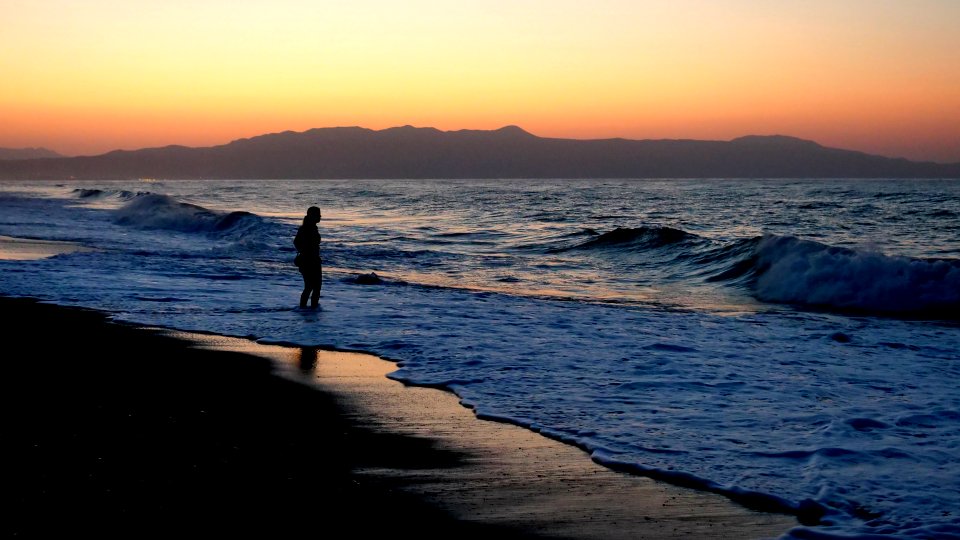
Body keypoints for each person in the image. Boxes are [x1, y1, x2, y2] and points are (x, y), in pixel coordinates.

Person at [294, 206, 322, 308]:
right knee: (311, 287)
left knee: (313, 287)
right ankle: (308, 309)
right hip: (308, 261)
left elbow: (296, 242)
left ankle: (308, 309)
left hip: (313, 260)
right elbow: (296, 242)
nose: (320, 216)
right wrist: (305, 251)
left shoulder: (312, 228)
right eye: (318, 214)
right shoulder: (306, 229)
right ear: (312, 216)